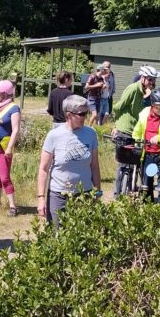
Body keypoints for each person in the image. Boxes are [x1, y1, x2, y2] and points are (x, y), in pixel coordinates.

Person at [36, 95, 100, 228]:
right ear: (69, 115)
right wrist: (41, 198)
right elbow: (43, 169)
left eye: (86, 113)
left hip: (84, 194)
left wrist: (97, 191)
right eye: (81, 114)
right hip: (59, 195)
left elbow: (94, 166)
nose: (85, 117)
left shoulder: (91, 134)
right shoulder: (54, 135)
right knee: (58, 235)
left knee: (83, 236)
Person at [112, 65, 160, 197]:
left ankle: (133, 186)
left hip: (138, 132)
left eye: (153, 80)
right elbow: (118, 107)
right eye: (150, 80)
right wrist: (115, 125)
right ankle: (117, 194)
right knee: (122, 163)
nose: (152, 83)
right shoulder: (133, 89)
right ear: (143, 78)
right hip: (125, 129)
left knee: (137, 160)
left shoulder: (148, 93)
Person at [131, 88, 160, 198]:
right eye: (157, 105)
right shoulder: (144, 113)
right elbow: (138, 130)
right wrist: (136, 141)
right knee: (147, 184)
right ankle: (148, 207)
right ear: (152, 104)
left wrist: (159, 137)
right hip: (148, 154)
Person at [0, 80, 21, 216]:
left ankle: (12, 206)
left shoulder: (13, 108)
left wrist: (10, 148)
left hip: (3, 147)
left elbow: (16, 130)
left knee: (5, 177)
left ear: (6, 93)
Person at [98, 61, 116, 125]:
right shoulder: (100, 74)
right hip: (101, 97)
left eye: (108, 67)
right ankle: (99, 125)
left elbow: (113, 83)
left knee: (108, 112)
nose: (107, 68)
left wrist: (112, 91)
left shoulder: (112, 74)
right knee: (100, 112)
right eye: (105, 67)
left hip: (109, 96)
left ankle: (102, 125)